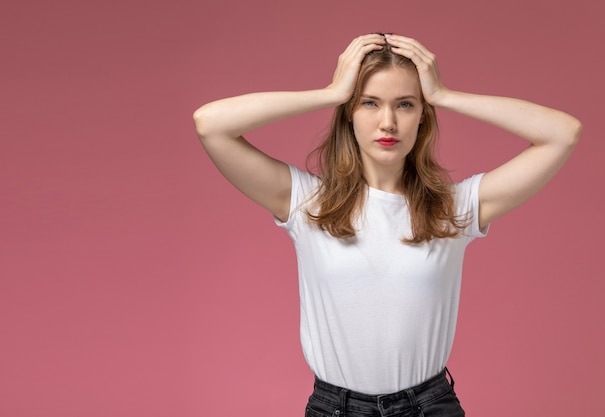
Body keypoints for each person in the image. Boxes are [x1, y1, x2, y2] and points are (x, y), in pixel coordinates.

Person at [193, 33, 581, 417]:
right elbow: (210, 124)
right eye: (370, 103)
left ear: (422, 114)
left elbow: (562, 134)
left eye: (406, 104)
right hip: (335, 409)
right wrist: (330, 92)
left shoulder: (453, 209)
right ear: (350, 111)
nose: (388, 122)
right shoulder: (307, 202)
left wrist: (445, 95)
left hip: (429, 407)